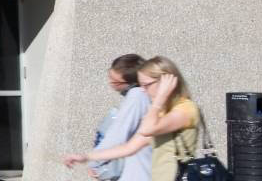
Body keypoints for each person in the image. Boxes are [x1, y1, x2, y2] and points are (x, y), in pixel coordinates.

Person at [63, 56, 200, 181]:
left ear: (165, 81)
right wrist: (86, 157)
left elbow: (147, 129)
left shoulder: (185, 109)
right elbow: (129, 148)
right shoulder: (161, 114)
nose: (142, 90)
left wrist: (159, 99)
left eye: (146, 85)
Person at [79, 54, 153, 181]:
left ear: (131, 83)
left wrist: (95, 161)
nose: (110, 83)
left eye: (115, 81)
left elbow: (118, 134)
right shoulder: (143, 95)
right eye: (109, 76)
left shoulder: (136, 96)